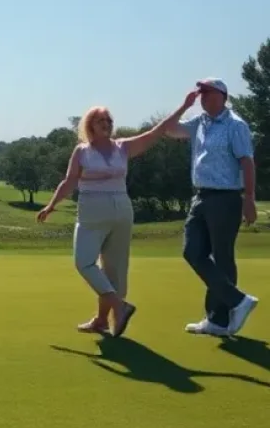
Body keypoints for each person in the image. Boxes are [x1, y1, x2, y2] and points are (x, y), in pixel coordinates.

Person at [38, 92, 198, 336]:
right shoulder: (82, 152)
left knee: (114, 269)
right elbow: (69, 182)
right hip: (92, 212)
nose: (107, 124)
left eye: (109, 120)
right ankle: (112, 311)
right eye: (101, 120)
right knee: (85, 262)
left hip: (121, 211)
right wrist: (51, 206)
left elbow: (159, 130)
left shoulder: (123, 147)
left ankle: (109, 314)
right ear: (90, 125)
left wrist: (184, 106)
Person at [168, 78, 259, 337]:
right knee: (192, 251)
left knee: (222, 257)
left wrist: (249, 198)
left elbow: (247, 162)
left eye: (206, 92)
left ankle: (218, 320)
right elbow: (169, 129)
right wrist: (183, 105)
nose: (202, 96)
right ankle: (238, 301)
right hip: (201, 197)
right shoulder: (199, 122)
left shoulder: (236, 125)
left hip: (226, 198)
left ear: (222, 96)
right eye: (200, 93)